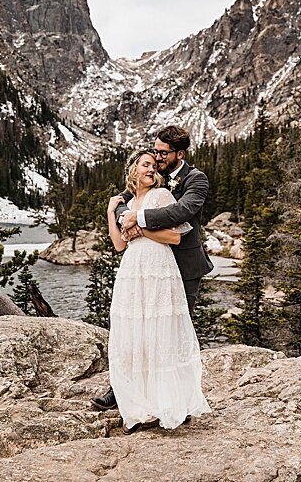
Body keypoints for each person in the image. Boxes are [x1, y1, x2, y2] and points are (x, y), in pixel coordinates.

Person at [93, 125, 212, 411]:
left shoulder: (196, 179)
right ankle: (122, 389)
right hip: (147, 266)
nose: (157, 157)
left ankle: (175, 397)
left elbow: (181, 213)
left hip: (183, 264)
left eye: (162, 153)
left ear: (179, 154)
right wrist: (123, 217)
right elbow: (125, 201)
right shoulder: (150, 176)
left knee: (173, 330)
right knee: (140, 325)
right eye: (154, 150)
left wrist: (139, 221)